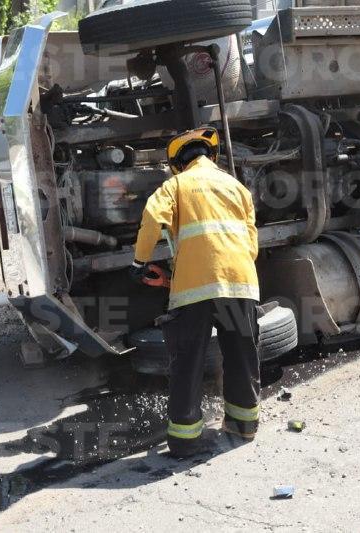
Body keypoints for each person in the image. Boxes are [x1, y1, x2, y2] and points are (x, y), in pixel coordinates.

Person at [130, 127, 260, 458]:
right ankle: (244, 426)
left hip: (195, 289)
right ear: (211, 157)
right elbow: (252, 241)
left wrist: (139, 261)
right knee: (241, 353)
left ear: (177, 163)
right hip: (240, 280)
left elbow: (150, 219)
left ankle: (185, 442)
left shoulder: (175, 185)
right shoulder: (237, 187)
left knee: (188, 360)